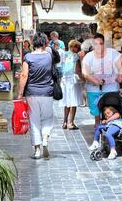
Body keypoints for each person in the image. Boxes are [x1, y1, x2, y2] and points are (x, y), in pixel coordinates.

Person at [17, 32, 60, 160]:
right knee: (47, 118)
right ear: (45, 43)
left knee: (34, 120)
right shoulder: (49, 56)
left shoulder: (28, 57)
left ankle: (37, 150)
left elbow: (24, 76)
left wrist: (20, 93)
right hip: (47, 92)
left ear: (33, 43)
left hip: (32, 93)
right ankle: (45, 138)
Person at [82, 33, 122, 127]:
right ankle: (98, 128)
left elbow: (121, 66)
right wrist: (95, 81)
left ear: (104, 43)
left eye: (101, 43)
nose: (99, 46)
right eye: (96, 44)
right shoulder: (88, 57)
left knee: (111, 112)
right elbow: (85, 73)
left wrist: (120, 76)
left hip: (111, 89)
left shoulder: (113, 53)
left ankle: (110, 128)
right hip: (94, 90)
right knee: (96, 113)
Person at [60, 40, 84, 130]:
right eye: (74, 46)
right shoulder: (76, 56)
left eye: (76, 47)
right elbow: (78, 70)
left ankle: (64, 122)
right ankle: (71, 123)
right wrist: (84, 80)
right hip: (73, 81)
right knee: (73, 102)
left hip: (64, 80)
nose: (75, 48)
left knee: (66, 102)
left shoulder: (65, 55)